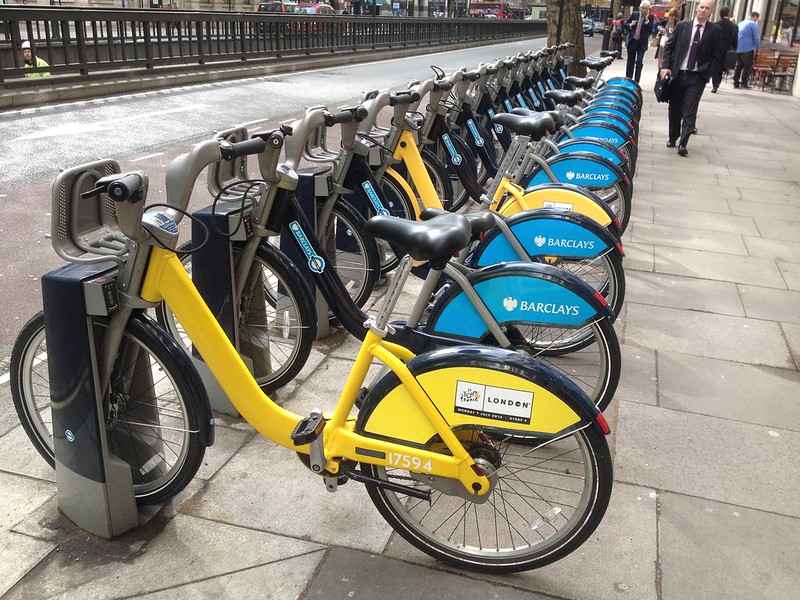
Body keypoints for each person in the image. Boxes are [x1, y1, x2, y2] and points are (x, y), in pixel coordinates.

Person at [660, 0, 724, 157]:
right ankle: (673, 137)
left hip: (697, 77)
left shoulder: (715, 30)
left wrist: (706, 74)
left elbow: (717, 56)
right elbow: (669, 47)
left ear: (711, 11)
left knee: (690, 109)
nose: (703, 10)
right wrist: (666, 66)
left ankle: (683, 142)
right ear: (697, 8)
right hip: (679, 74)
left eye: (707, 8)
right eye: (701, 7)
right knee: (675, 108)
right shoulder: (683, 26)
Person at [624, 1, 657, 82]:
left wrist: (646, 20)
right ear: (640, 8)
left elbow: (651, 30)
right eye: (643, 8)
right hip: (632, 41)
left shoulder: (650, 17)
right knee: (630, 62)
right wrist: (630, 25)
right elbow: (625, 23)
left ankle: (636, 81)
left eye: (646, 9)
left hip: (641, 43)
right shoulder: (635, 14)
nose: (644, 10)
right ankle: (628, 79)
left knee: (639, 62)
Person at [711, 5, 738, 92]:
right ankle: (717, 83)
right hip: (727, 50)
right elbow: (735, 38)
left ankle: (715, 85)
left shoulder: (716, 24)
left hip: (717, 49)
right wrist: (734, 48)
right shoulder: (733, 26)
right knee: (722, 67)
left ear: (720, 14)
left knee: (716, 67)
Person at [733, 11, 760, 89]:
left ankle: (736, 82)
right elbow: (756, 37)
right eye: (757, 18)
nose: (756, 20)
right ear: (755, 17)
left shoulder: (741, 23)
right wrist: (758, 47)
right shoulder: (753, 24)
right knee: (747, 66)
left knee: (738, 66)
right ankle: (744, 83)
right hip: (748, 48)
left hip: (739, 48)